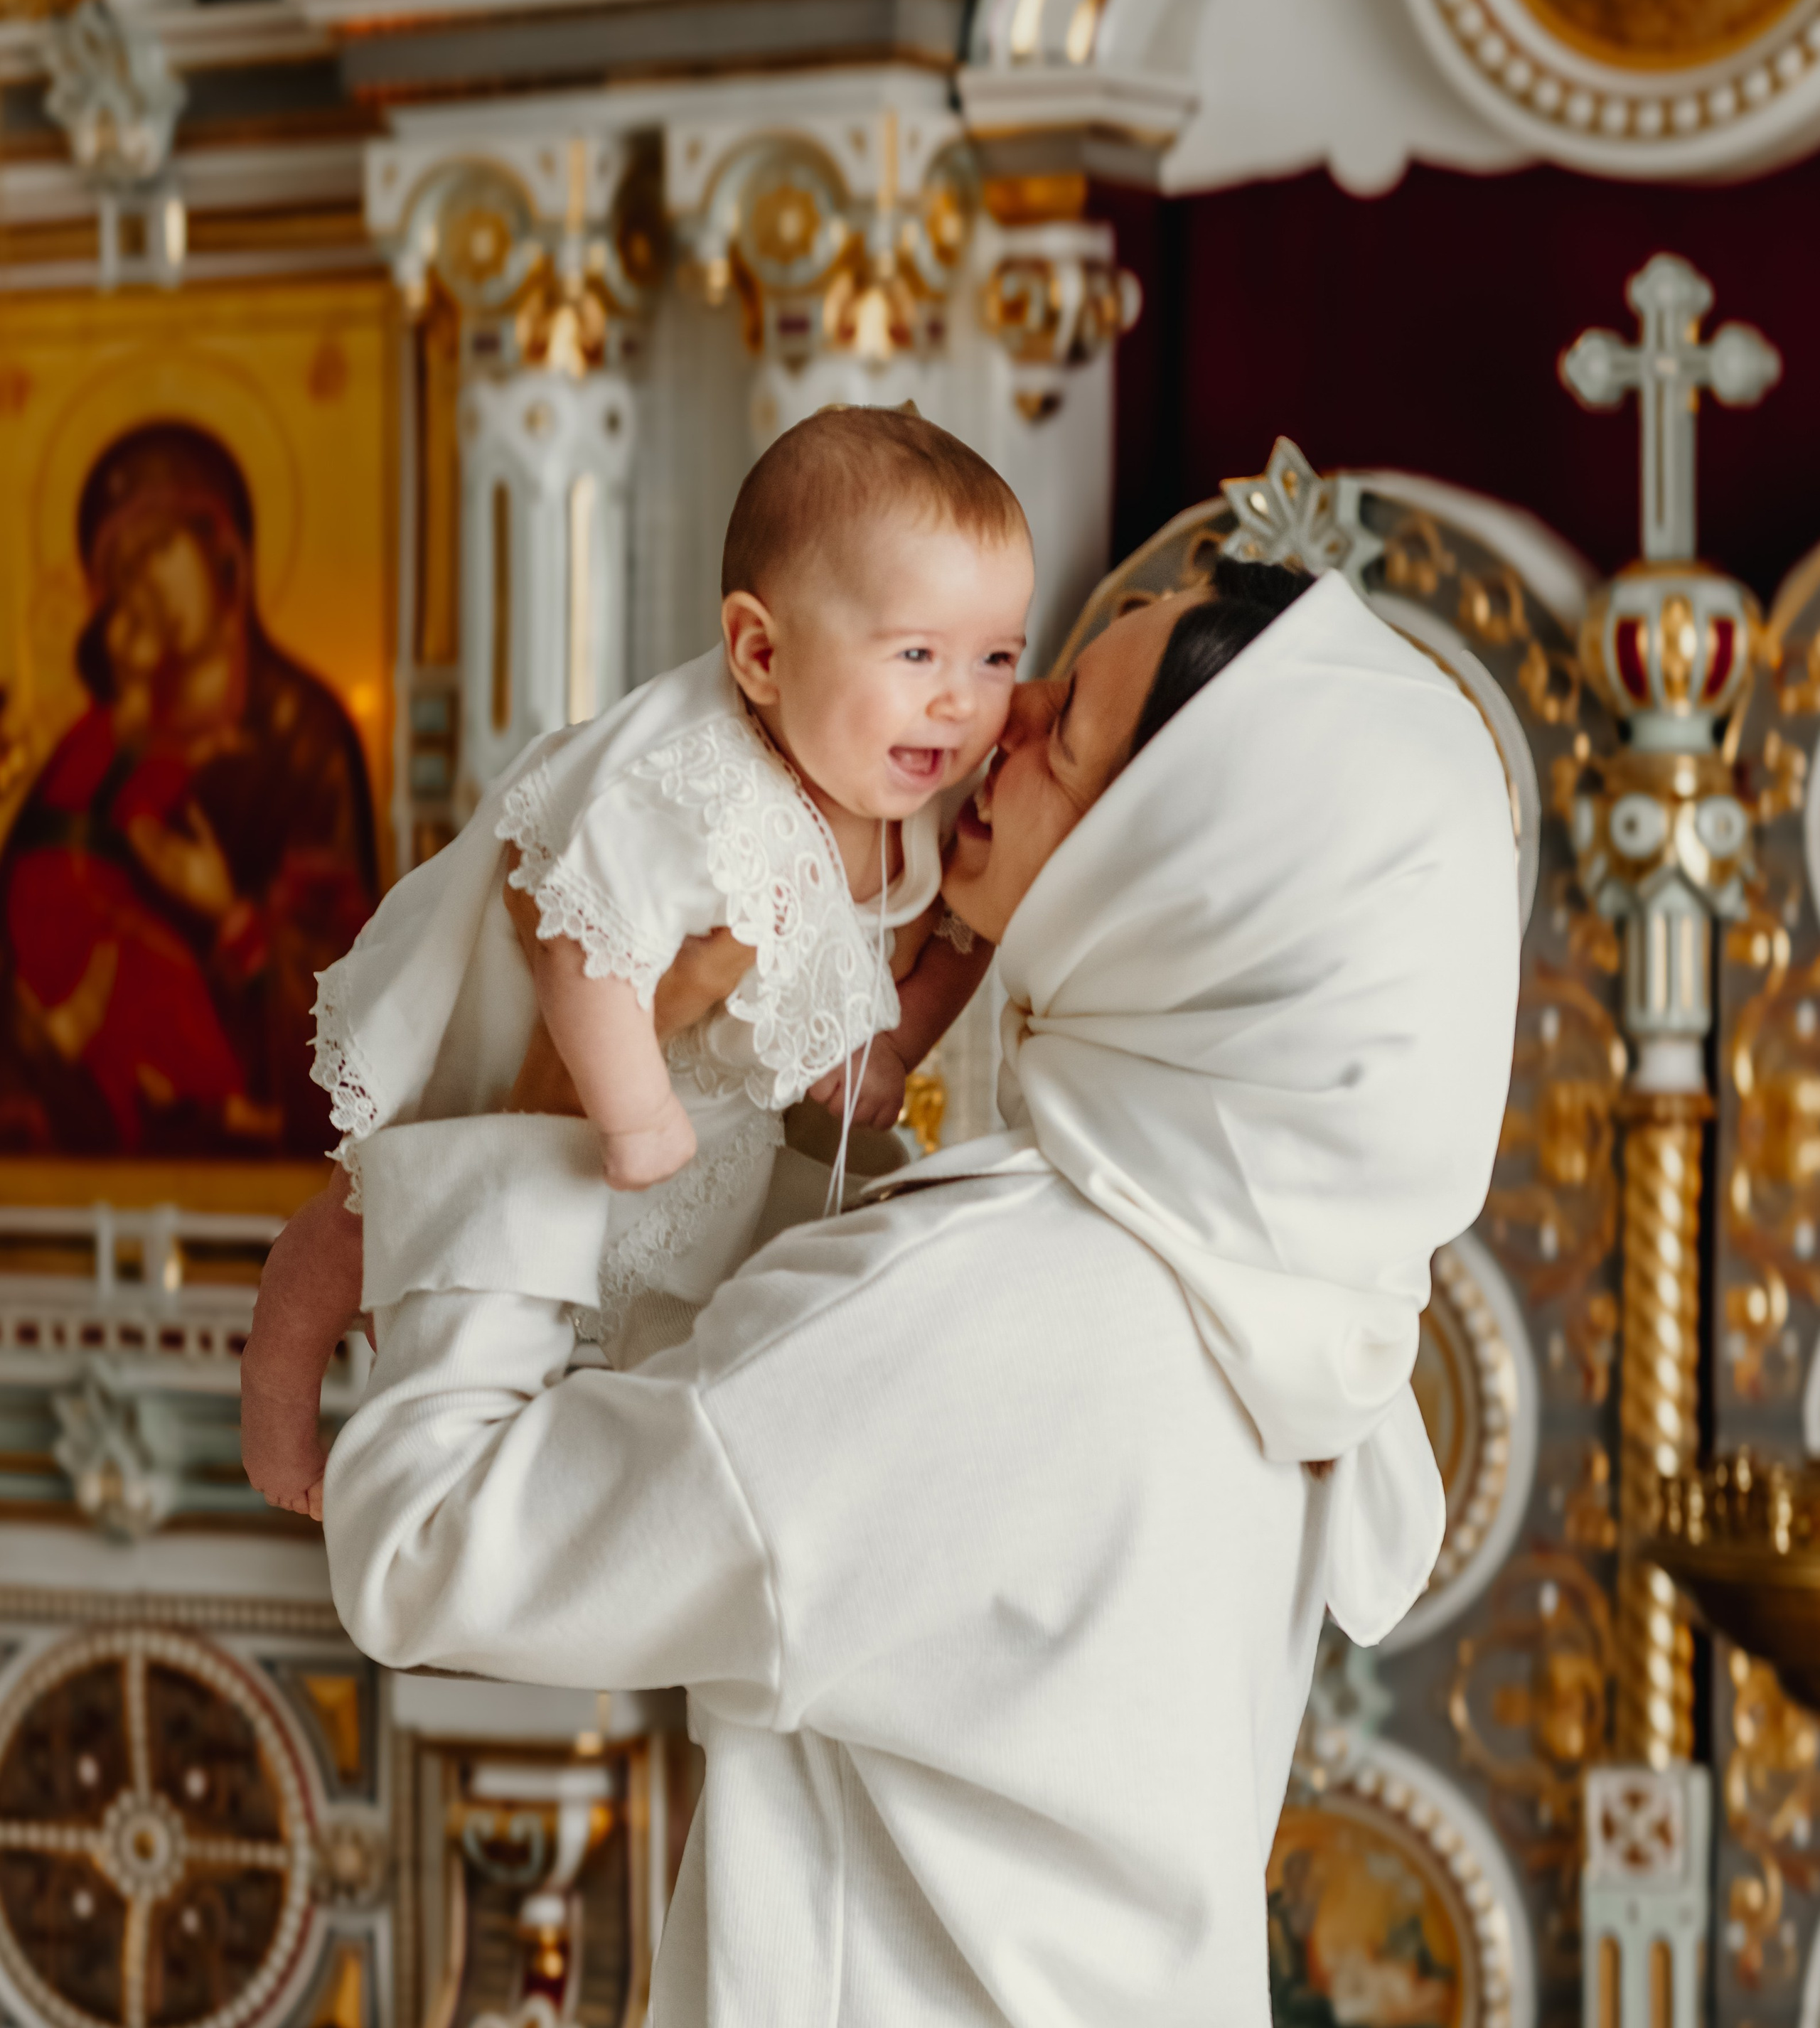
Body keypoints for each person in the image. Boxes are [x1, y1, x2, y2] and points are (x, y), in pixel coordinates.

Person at [315, 554, 1520, 2027]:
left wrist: (566, 1093)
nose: (996, 715)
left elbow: (425, 1540)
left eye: (1061, 726)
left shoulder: (997, 1307)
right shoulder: (1270, 1294)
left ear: (1175, 878)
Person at [242, 407, 1032, 1514]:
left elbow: (954, 932)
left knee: (613, 1299)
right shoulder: (692, 785)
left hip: (698, 1119)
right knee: (367, 1220)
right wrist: (631, 1113)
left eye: (1000, 655)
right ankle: (282, 1438)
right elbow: (572, 936)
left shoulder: (914, 786)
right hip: (539, 1049)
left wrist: (891, 1045)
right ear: (761, 652)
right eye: (917, 653)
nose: (963, 697)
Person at [0, 422, 376, 1158]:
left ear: (223, 549)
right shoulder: (94, 747)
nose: (146, 586)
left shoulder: (306, 739)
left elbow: (358, 981)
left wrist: (230, 915)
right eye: (123, 572)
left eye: (159, 550)